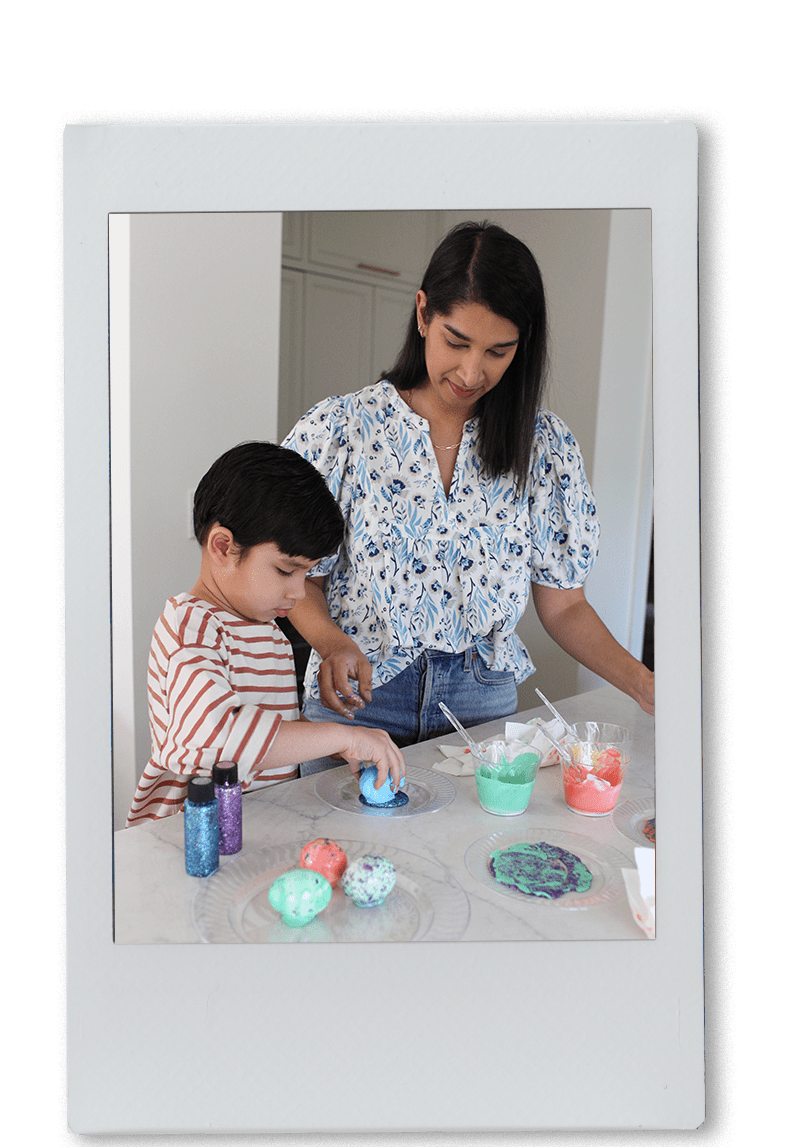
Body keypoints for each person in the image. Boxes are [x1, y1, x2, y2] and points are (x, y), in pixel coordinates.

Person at [282, 221, 655, 775]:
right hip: (359, 699)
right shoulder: (343, 430)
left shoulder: (543, 447)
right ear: (422, 313)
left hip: (482, 703)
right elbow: (296, 576)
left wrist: (647, 685)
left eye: (498, 351)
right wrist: (332, 642)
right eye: (456, 341)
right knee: (349, 860)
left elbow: (566, 604)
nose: (471, 371)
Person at [126, 442, 405, 825]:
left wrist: (332, 745)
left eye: (307, 574)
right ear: (223, 546)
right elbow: (215, 739)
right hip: (194, 844)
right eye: (285, 570)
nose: (298, 590)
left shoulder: (267, 630)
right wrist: (343, 737)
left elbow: (265, 730)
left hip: (258, 830)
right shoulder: (191, 628)